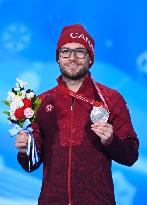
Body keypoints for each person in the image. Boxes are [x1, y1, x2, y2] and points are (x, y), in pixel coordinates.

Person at [15, 24, 139, 205]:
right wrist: (25, 151)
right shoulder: (41, 102)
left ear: (90, 59)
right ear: (58, 58)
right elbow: (31, 165)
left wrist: (110, 141)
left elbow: (131, 156)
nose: (72, 58)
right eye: (65, 51)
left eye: (80, 52)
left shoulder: (111, 99)